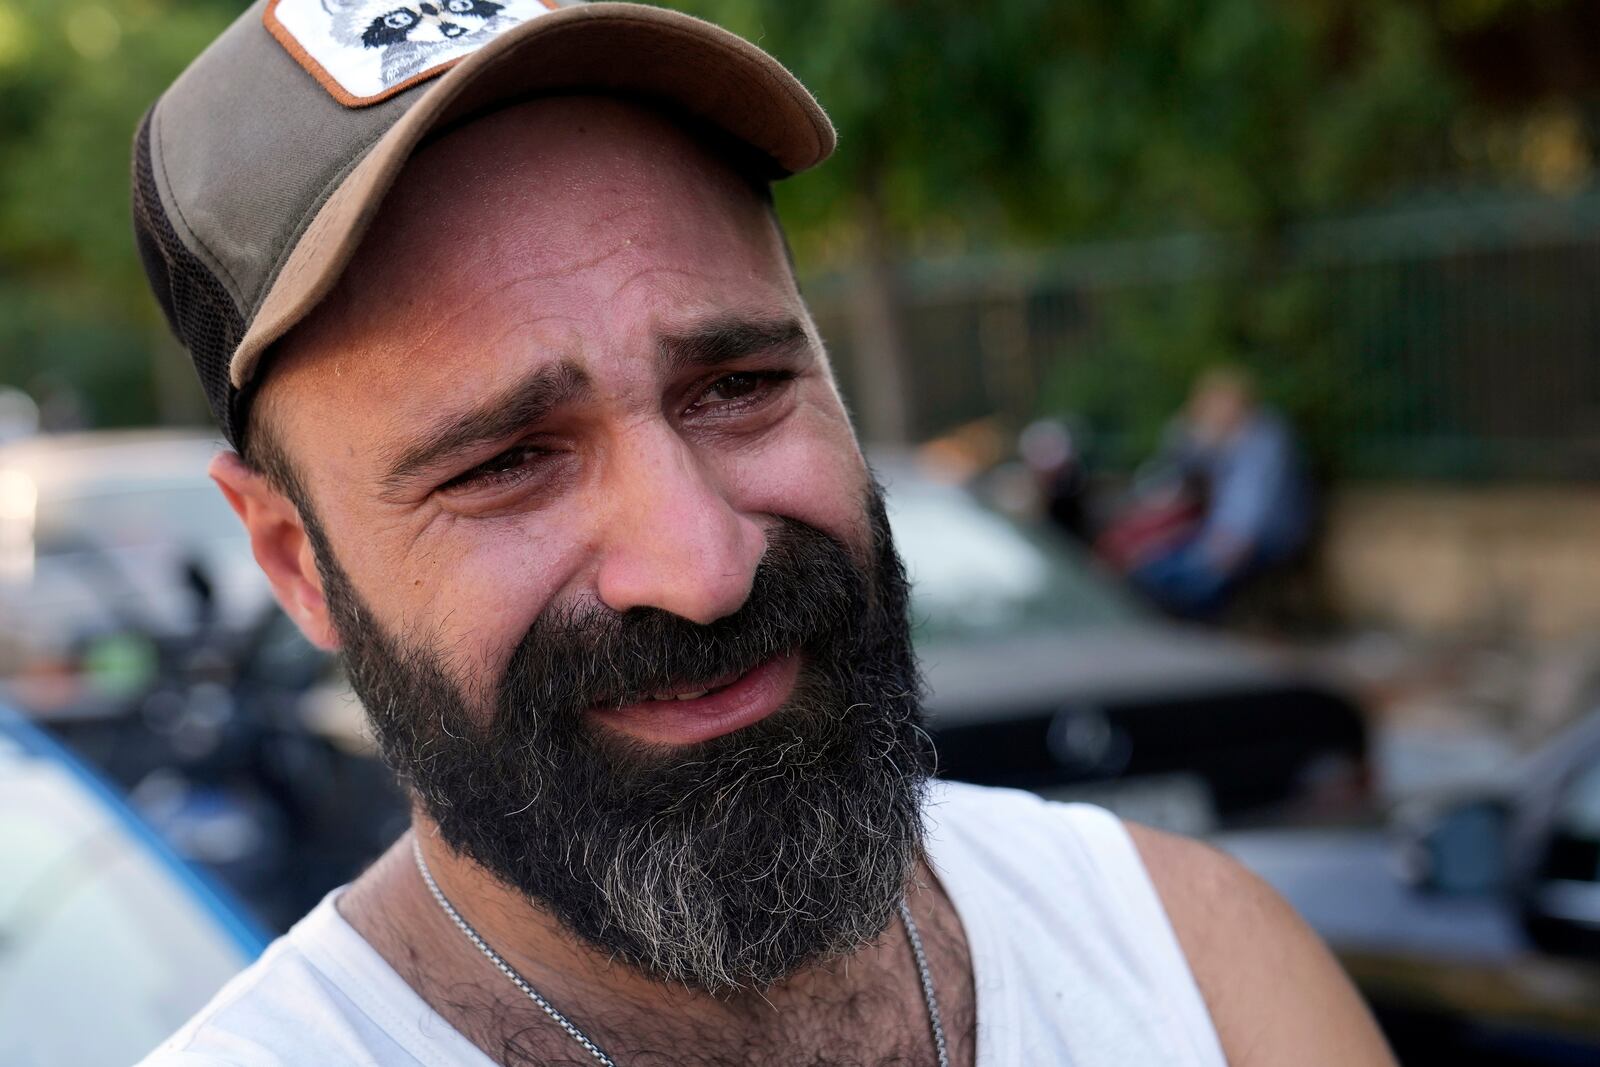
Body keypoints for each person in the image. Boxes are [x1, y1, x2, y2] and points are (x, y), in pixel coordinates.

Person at [130, 3, 1392, 1064]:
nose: (702, 565)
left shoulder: (1200, 967)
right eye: (506, 462)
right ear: (300, 564)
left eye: (735, 386)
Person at [1119, 367, 1315, 619]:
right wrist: (1188, 428)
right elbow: (1178, 462)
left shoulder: (1263, 439)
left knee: (1187, 588)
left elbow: (1249, 503)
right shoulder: (1226, 439)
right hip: (1220, 535)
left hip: (1262, 537)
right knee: (1149, 574)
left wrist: (1229, 542)